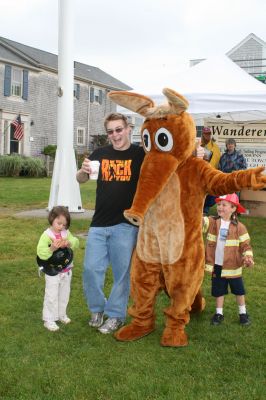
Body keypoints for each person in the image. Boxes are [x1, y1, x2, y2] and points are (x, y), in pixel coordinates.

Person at [76, 112, 205, 334]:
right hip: (98, 224)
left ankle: (115, 315)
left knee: (122, 274)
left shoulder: (140, 154)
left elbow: (168, 159)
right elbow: (81, 179)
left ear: (128, 129)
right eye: (110, 131)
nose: (115, 135)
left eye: (118, 129)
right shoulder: (100, 153)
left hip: (126, 225)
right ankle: (97, 309)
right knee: (90, 269)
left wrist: (196, 153)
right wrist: (83, 171)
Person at [203, 193, 254, 326]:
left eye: (224, 205)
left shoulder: (239, 227)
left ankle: (243, 314)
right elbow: (201, 222)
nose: (220, 207)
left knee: (239, 291)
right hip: (217, 265)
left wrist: (248, 257)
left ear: (233, 208)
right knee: (218, 291)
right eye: (219, 204)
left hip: (233, 267)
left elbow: (246, 245)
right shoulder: (213, 222)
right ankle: (219, 314)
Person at [37, 206, 79, 331]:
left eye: (64, 224)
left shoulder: (66, 233)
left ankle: (61, 315)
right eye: (59, 223)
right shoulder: (46, 235)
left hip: (66, 271)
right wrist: (52, 249)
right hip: (52, 271)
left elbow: (76, 242)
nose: (61, 227)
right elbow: (41, 253)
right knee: (51, 295)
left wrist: (69, 243)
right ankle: (49, 319)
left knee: (64, 294)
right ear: (52, 219)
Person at [201, 127, 221, 215]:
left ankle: (206, 209)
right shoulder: (198, 146)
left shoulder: (215, 147)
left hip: (211, 173)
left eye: (208, 134)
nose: (207, 136)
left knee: (210, 193)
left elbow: (218, 160)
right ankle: (200, 209)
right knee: (201, 192)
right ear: (202, 135)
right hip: (200, 173)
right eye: (205, 134)